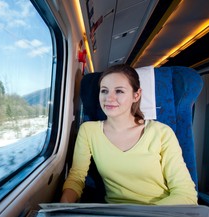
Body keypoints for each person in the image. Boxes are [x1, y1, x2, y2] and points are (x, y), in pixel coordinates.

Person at [60, 64, 198, 205]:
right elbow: (77, 178)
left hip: (160, 214)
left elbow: (186, 194)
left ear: (136, 95)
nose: (109, 98)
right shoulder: (89, 131)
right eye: (104, 91)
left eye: (119, 91)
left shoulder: (161, 133)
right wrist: (63, 204)